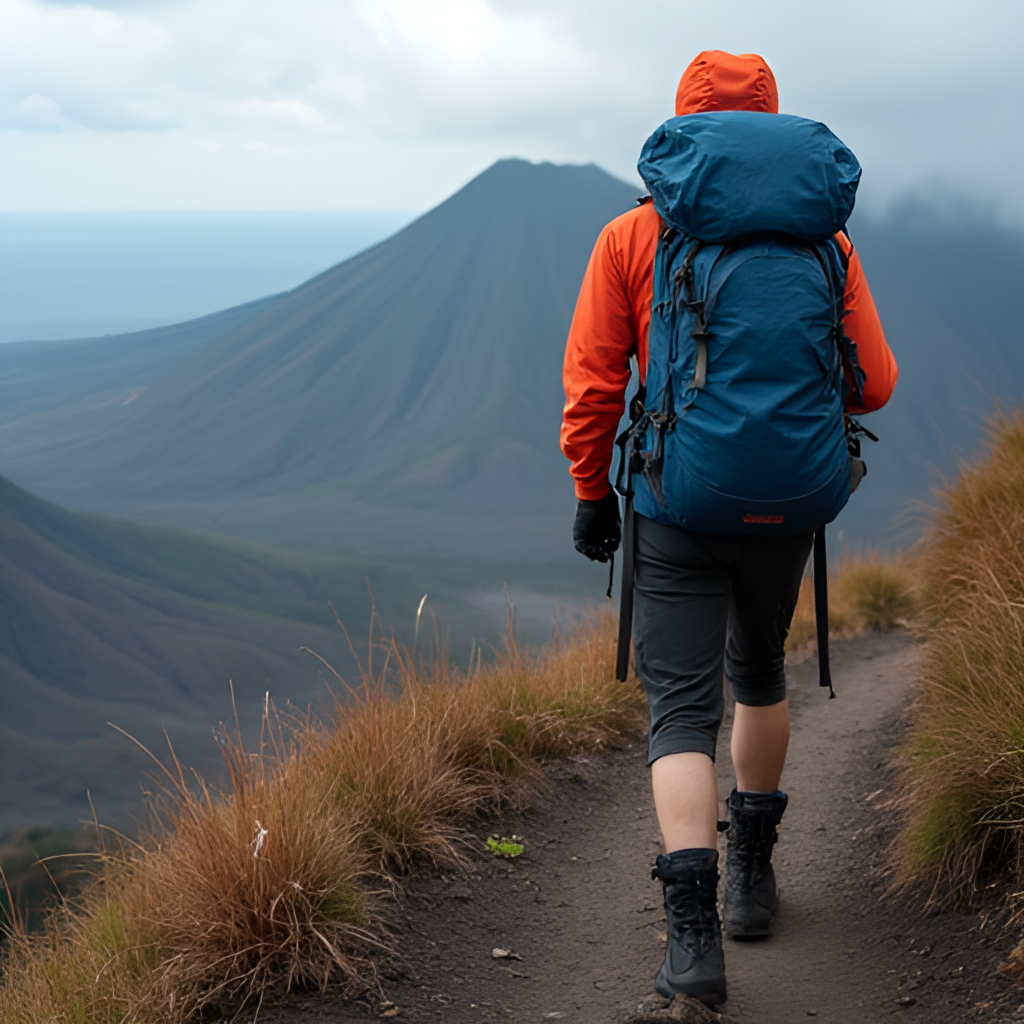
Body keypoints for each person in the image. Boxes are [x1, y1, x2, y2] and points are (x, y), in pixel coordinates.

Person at [560, 50, 897, 1005]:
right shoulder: (828, 246)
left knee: (680, 713)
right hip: (790, 500)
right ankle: (753, 877)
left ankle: (694, 944)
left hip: (675, 504)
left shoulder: (634, 236)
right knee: (758, 672)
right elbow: (874, 382)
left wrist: (593, 494)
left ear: (685, 127)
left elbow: (595, 385)